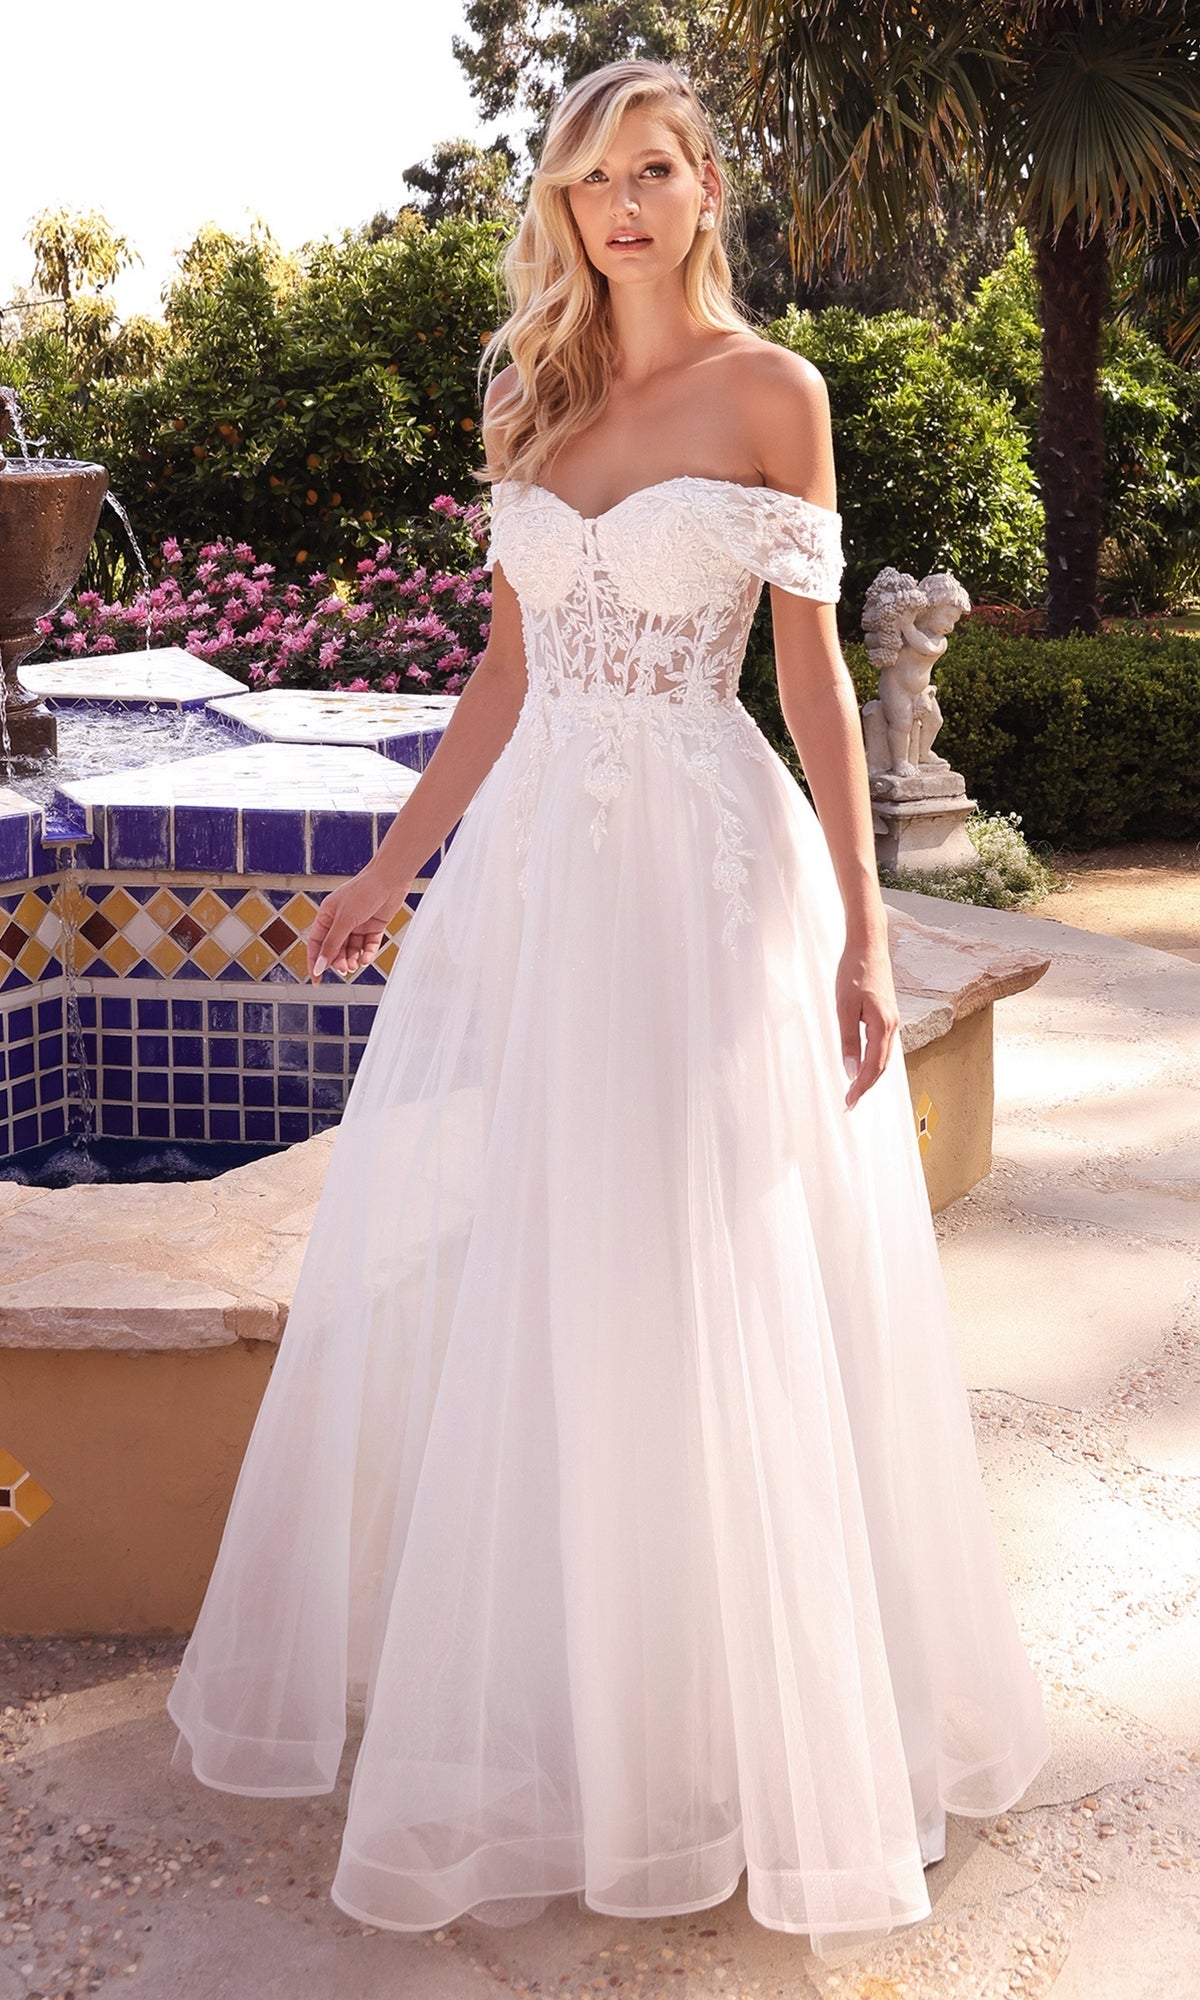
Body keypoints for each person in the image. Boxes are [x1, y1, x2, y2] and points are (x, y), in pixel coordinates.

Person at [166, 58, 1050, 1960]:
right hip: (542, 886)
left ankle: (750, 1732)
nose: (624, 206)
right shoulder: (531, 393)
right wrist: (395, 864)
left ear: (706, 186)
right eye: (590, 181)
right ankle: (576, 1706)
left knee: (707, 1260)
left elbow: (813, 687)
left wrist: (868, 933)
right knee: (549, 1261)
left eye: (654, 171)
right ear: (562, 208)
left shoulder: (771, 395)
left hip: (704, 867)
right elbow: (503, 671)